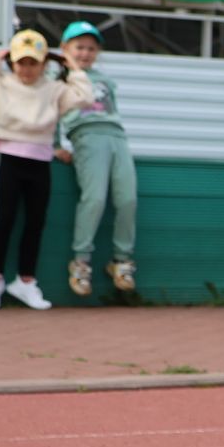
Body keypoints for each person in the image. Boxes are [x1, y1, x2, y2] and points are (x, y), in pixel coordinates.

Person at [0, 31, 93, 312]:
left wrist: (72, 66)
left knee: (36, 222)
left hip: (40, 159)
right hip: (10, 157)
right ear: (12, 62)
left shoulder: (54, 89)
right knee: (5, 220)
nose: (26, 69)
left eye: (33, 63)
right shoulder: (0, 85)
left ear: (44, 64)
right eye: (20, 62)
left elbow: (85, 97)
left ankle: (26, 280)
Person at [53, 21, 137, 297]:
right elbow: (49, 114)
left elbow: (111, 111)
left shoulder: (105, 80)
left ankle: (121, 259)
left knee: (127, 198)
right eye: (79, 47)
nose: (85, 53)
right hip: (86, 137)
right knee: (95, 197)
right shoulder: (58, 81)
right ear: (65, 49)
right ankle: (80, 262)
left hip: (116, 137)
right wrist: (55, 145)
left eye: (91, 48)